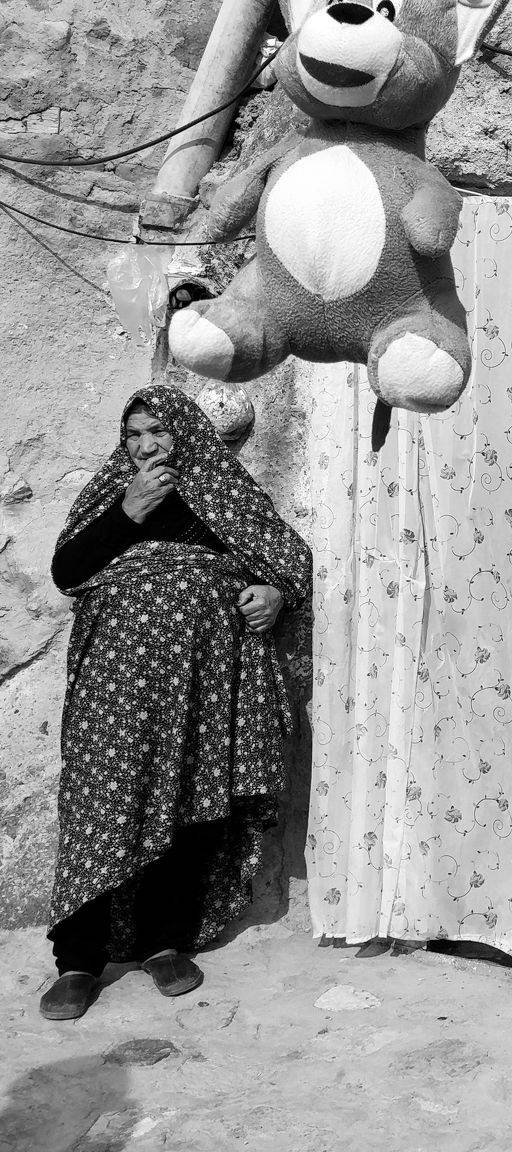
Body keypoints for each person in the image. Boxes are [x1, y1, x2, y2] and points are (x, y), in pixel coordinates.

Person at [40, 384, 311, 1021]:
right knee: (100, 798)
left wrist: (273, 593)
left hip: (204, 679)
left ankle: (164, 942)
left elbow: (287, 558)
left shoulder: (223, 490)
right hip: (116, 680)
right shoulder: (113, 492)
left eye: (157, 431)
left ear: (185, 432)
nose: (145, 446)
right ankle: (78, 959)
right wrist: (127, 513)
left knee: (189, 795)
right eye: (133, 434)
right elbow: (66, 571)